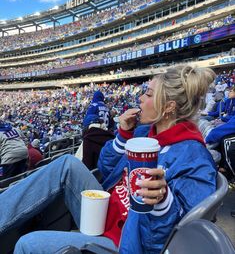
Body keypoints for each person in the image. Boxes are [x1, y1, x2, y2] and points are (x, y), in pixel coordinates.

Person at [0, 65, 217, 254]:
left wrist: (162, 201)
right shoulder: (143, 133)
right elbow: (105, 168)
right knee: (67, 164)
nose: (140, 98)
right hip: (106, 213)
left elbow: (178, 238)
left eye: (149, 94)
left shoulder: (195, 158)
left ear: (169, 106)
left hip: (125, 242)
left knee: (28, 244)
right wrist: (123, 134)